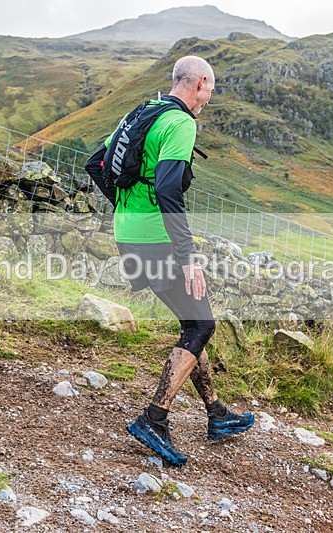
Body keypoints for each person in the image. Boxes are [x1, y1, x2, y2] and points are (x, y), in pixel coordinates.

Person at [85, 55, 254, 467]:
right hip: (158, 241)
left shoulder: (142, 113)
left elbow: (95, 164)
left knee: (192, 321)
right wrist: (188, 256)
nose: (210, 97)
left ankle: (216, 413)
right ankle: (154, 418)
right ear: (199, 83)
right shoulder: (181, 123)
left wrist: (129, 210)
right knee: (202, 325)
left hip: (129, 235)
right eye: (210, 89)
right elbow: (167, 191)